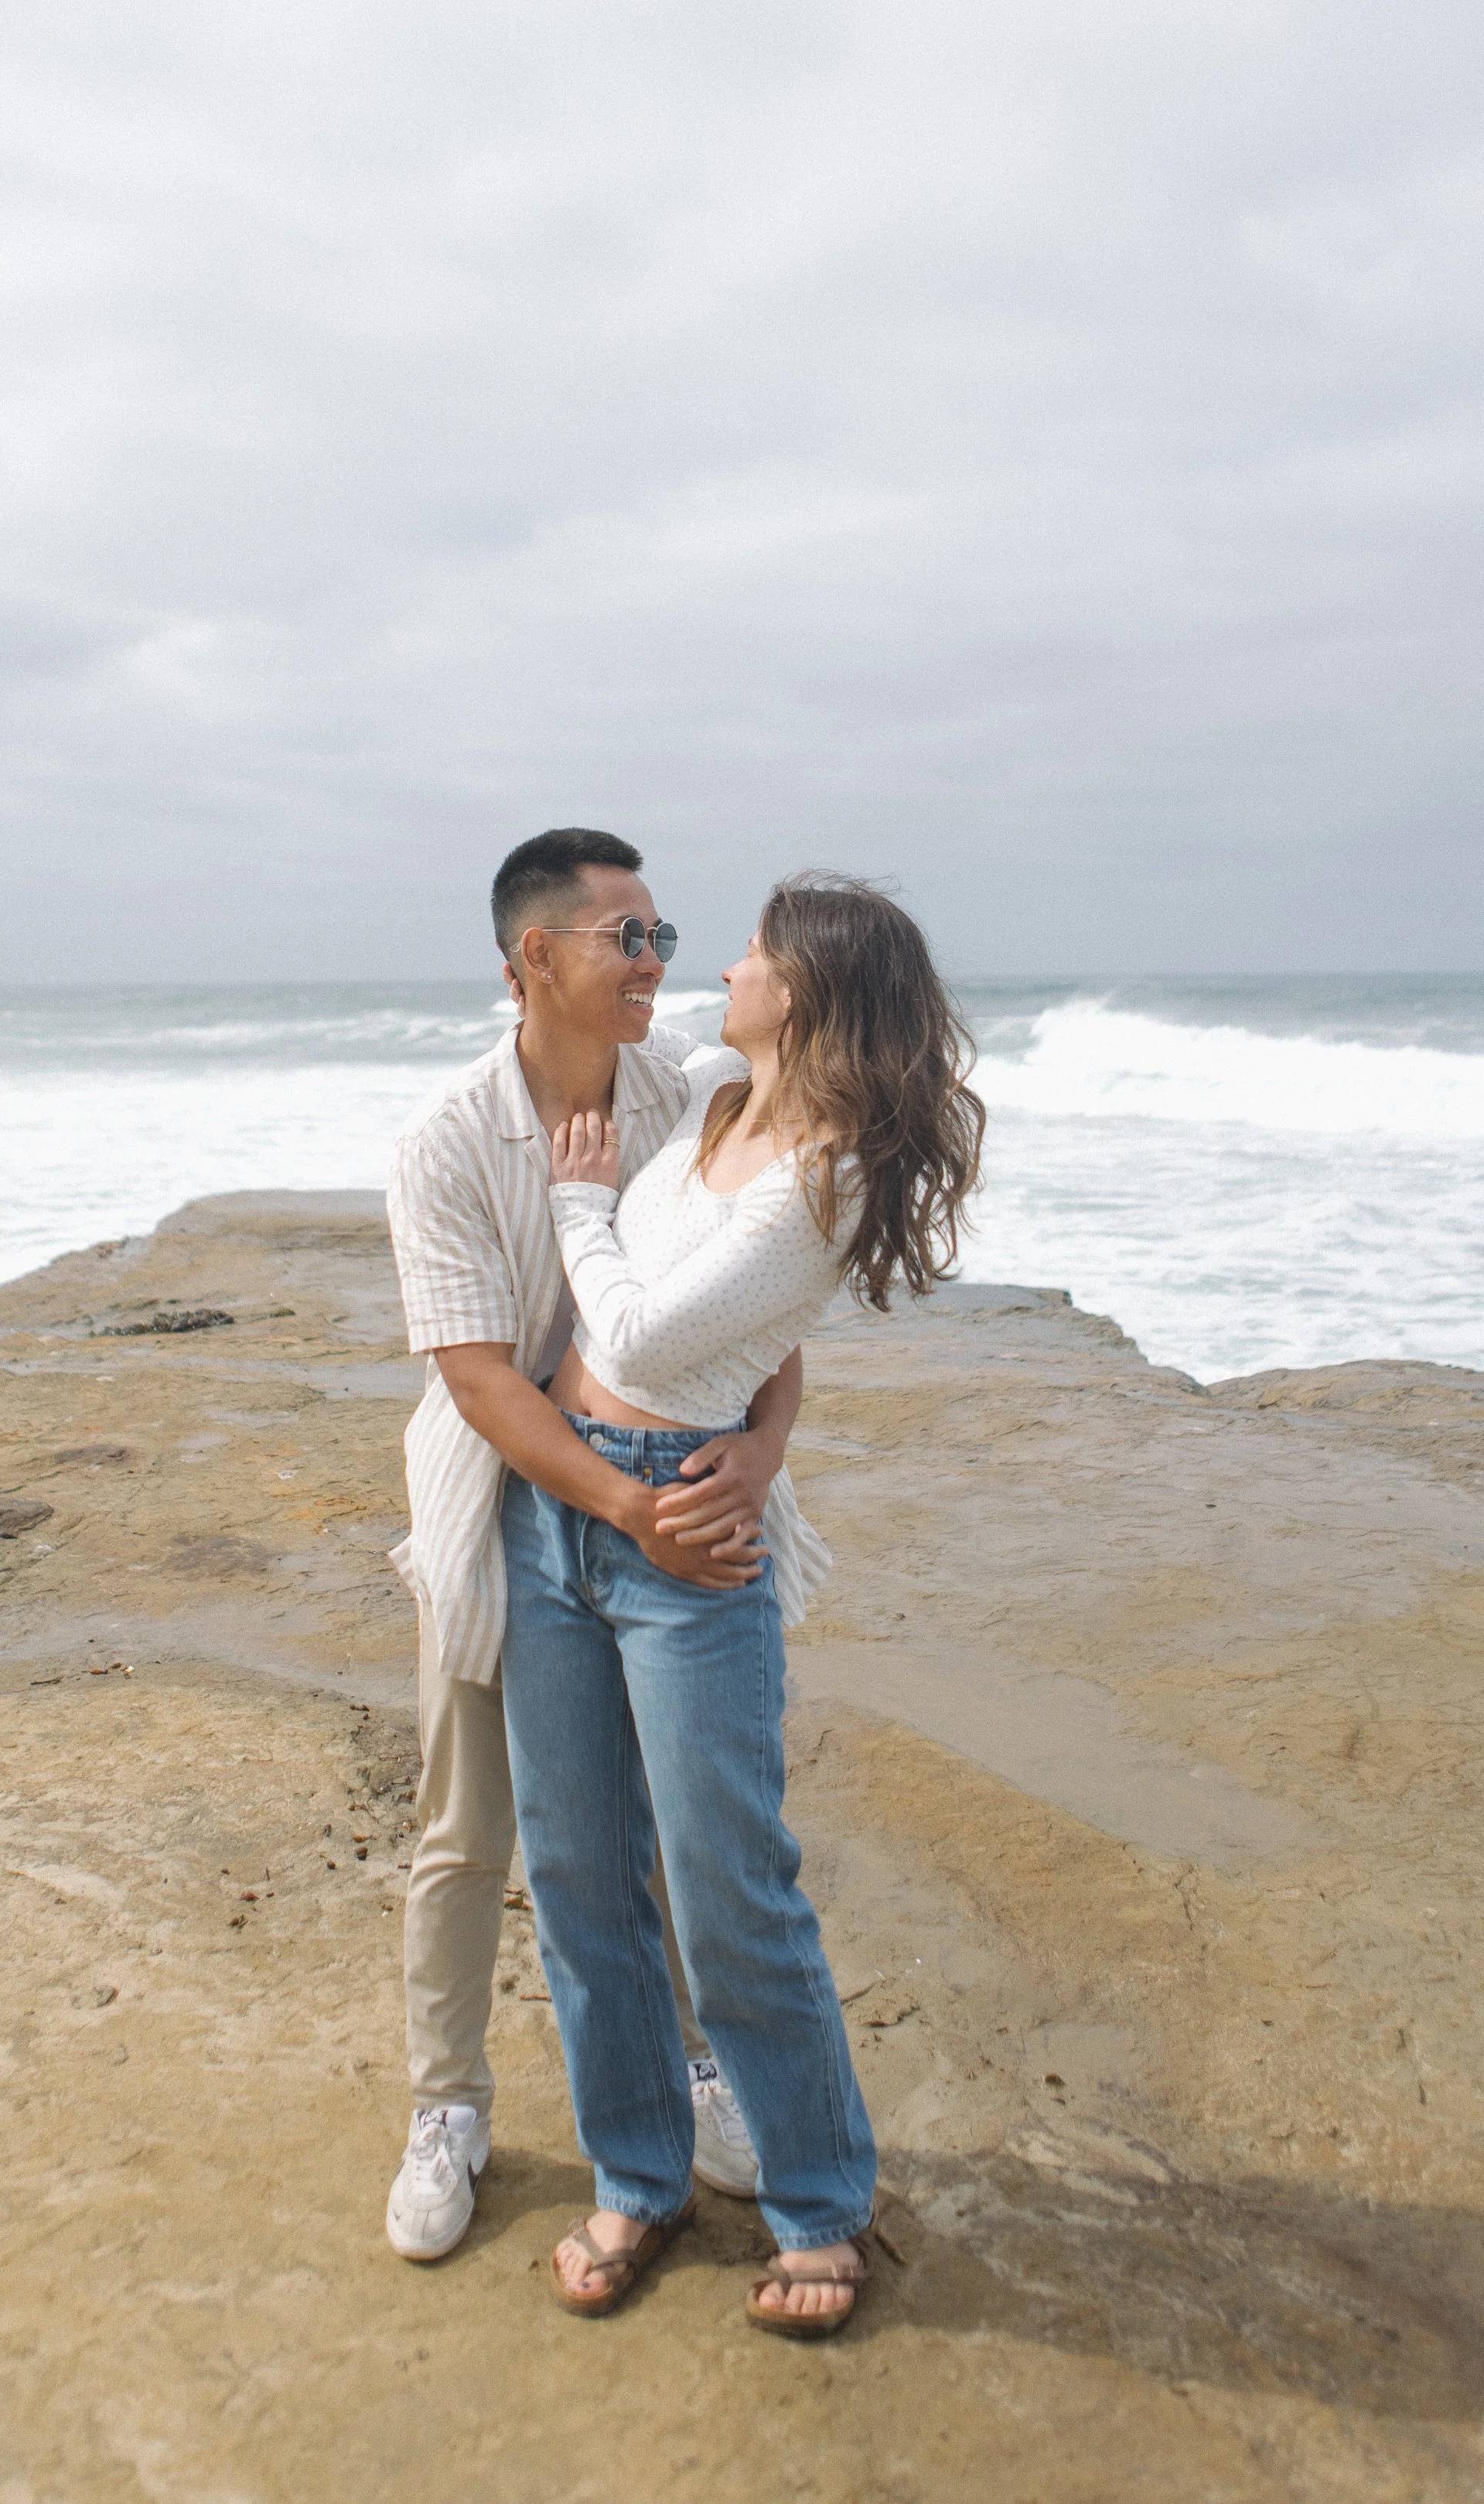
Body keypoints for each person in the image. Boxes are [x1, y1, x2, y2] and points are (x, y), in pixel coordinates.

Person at [498, 873, 984, 2335]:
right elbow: (582, 1039)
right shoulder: (718, 1091)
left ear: (813, 993)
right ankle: (641, 2174)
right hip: (559, 1507)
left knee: (728, 1893)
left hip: (684, 1530)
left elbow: (644, 1324)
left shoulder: (823, 1176)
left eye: (757, 954)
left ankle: (821, 2199)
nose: (725, 964)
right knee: (583, 1876)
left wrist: (582, 1203)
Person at [382, 827, 806, 2260]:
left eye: (663, 934)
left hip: (673, 1479)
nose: (657, 960)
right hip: (503, 1493)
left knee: (669, 1817)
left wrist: (760, 1451)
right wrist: (620, 1507)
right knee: (475, 1827)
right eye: (628, 937)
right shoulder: (445, 1137)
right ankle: (447, 2106)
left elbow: (772, 1292)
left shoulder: (686, 1083)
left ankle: (685, 2067)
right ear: (533, 961)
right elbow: (480, 1377)